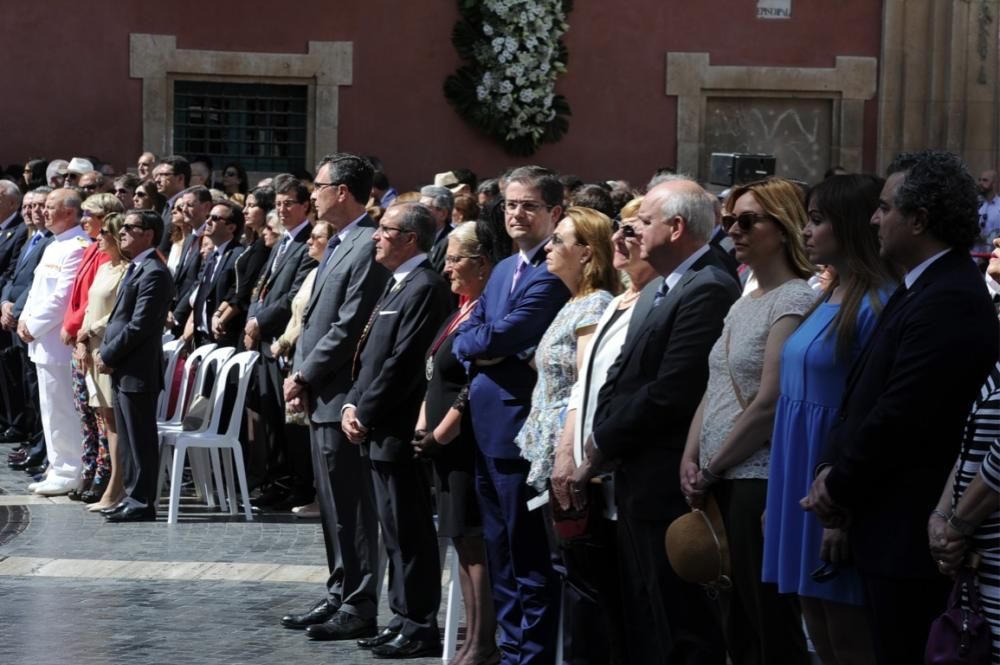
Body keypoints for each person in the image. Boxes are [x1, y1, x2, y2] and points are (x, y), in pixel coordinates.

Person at [803, 151, 999, 665]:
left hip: (909, 533)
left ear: (919, 219)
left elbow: (902, 414)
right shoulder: (922, 287)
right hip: (885, 523)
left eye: (885, 208)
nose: (874, 219)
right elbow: (861, 394)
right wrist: (830, 467)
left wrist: (839, 484)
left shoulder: (950, 296)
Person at [576, 178, 739, 665]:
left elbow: (672, 392)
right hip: (634, 477)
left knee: (680, 623)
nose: (631, 231)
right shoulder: (657, 288)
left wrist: (602, 440)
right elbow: (622, 375)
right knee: (646, 614)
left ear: (676, 227)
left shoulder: (708, 286)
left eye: (644, 221)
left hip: (668, 480)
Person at [762, 174, 896, 665]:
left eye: (818, 220)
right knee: (815, 631)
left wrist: (843, 507)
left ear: (853, 226)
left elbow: (869, 413)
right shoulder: (829, 295)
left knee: (848, 639)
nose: (806, 231)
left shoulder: (876, 303)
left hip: (833, 485)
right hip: (797, 474)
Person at [682, 177, 815, 665]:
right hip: (719, 477)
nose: (733, 230)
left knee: (767, 623)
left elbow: (770, 400)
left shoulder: (794, 299)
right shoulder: (744, 299)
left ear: (781, 228)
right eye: (728, 221)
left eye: (746, 220)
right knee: (733, 622)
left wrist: (712, 465)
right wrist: (689, 457)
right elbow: (715, 384)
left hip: (754, 477)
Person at [452, 165, 569, 665]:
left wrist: (488, 343)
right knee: (499, 551)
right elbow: (468, 335)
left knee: (527, 555)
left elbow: (501, 336)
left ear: (554, 213)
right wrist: (485, 346)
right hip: (485, 428)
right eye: (509, 205)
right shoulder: (502, 269)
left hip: (522, 430)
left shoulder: (553, 272)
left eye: (528, 205)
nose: (516, 214)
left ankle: (532, 655)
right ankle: (509, 645)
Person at [279, 154, 389, 643]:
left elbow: (348, 326)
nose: (313, 194)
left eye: (318, 186)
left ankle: (361, 601)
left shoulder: (366, 244)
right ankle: (340, 589)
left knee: (353, 506)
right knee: (332, 504)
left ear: (342, 191)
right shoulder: (341, 242)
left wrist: (304, 372)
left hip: (341, 391)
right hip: (323, 392)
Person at [549, 196, 657, 664]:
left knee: (616, 598)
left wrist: (591, 455)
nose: (621, 238)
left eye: (634, 230)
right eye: (620, 229)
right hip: (585, 466)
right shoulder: (617, 303)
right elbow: (583, 387)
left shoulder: (640, 305)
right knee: (586, 588)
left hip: (617, 469)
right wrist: (566, 451)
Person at [341, 202, 452, 658]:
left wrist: (364, 411)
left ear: (409, 238)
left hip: (396, 428)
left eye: (385, 230)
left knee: (409, 531)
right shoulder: (398, 284)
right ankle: (401, 616)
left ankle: (421, 623)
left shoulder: (424, 286)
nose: (375, 236)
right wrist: (352, 401)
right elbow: (370, 357)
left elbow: (403, 363)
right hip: (375, 424)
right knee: (392, 529)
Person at [412, 220, 503, 665]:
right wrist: (423, 423)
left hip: (464, 440)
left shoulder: (488, 309)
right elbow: (436, 370)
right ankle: (472, 637)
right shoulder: (461, 306)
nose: (445, 268)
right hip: (440, 439)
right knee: (459, 541)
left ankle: (484, 640)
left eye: (453, 259)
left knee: (473, 539)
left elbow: (474, 377)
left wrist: (445, 427)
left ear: (481, 262)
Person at [516, 207, 619, 492]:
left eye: (558, 240)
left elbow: (587, 387)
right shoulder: (573, 302)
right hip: (550, 446)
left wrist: (566, 455)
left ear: (585, 253)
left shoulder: (594, 305)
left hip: (568, 452)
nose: (548, 246)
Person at [98, 209, 175, 522]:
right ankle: (131, 495)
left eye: (130, 227)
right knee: (128, 438)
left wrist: (108, 354)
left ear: (149, 234)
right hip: (124, 367)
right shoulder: (137, 268)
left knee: (140, 437)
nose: (123, 232)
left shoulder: (154, 271)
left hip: (137, 368)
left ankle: (142, 502)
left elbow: (140, 325)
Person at [63, 193, 124, 502]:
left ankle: (104, 473)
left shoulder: (113, 261)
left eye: (91, 214)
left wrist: (80, 333)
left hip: (97, 345)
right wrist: (74, 331)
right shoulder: (91, 252)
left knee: (103, 416)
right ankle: (89, 470)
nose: (84, 219)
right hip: (82, 341)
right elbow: (80, 299)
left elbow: (98, 305)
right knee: (86, 411)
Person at [75, 212, 128, 509]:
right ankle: (114, 483)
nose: (99, 236)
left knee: (113, 420)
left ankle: (116, 485)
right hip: (91, 349)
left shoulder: (126, 271)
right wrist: (82, 339)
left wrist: (91, 331)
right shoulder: (105, 268)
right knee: (103, 419)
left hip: (109, 349)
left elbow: (118, 312)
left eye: (106, 231)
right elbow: (90, 307)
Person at [214, 186, 273, 348]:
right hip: (233, 317)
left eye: (252, 206)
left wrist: (222, 319)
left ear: (267, 210)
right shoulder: (252, 242)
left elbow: (246, 288)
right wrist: (218, 313)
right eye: (245, 205)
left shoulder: (264, 246)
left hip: (244, 320)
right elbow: (236, 285)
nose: (245, 211)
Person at [188, 201, 244, 348]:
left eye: (215, 218)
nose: (207, 221)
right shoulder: (212, 255)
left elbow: (238, 293)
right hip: (201, 338)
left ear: (231, 227)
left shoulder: (239, 256)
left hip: (223, 339)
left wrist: (221, 316)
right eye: (208, 217)